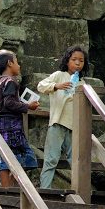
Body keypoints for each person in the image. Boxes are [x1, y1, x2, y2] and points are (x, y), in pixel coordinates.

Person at [37, 45, 90, 189]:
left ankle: (78, 191)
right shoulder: (59, 75)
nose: (78, 63)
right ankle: (45, 190)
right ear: (67, 61)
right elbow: (41, 86)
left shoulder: (82, 83)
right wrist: (57, 86)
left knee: (76, 161)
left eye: (81, 61)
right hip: (58, 122)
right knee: (51, 159)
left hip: (75, 127)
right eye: (74, 59)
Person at [0, 50, 40, 187]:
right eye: (17, 62)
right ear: (9, 63)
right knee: (27, 156)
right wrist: (27, 106)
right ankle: (9, 186)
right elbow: (9, 103)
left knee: (6, 157)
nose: (19, 66)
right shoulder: (10, 82)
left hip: (0, 124)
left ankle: (6, 187)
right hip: (11, 126)